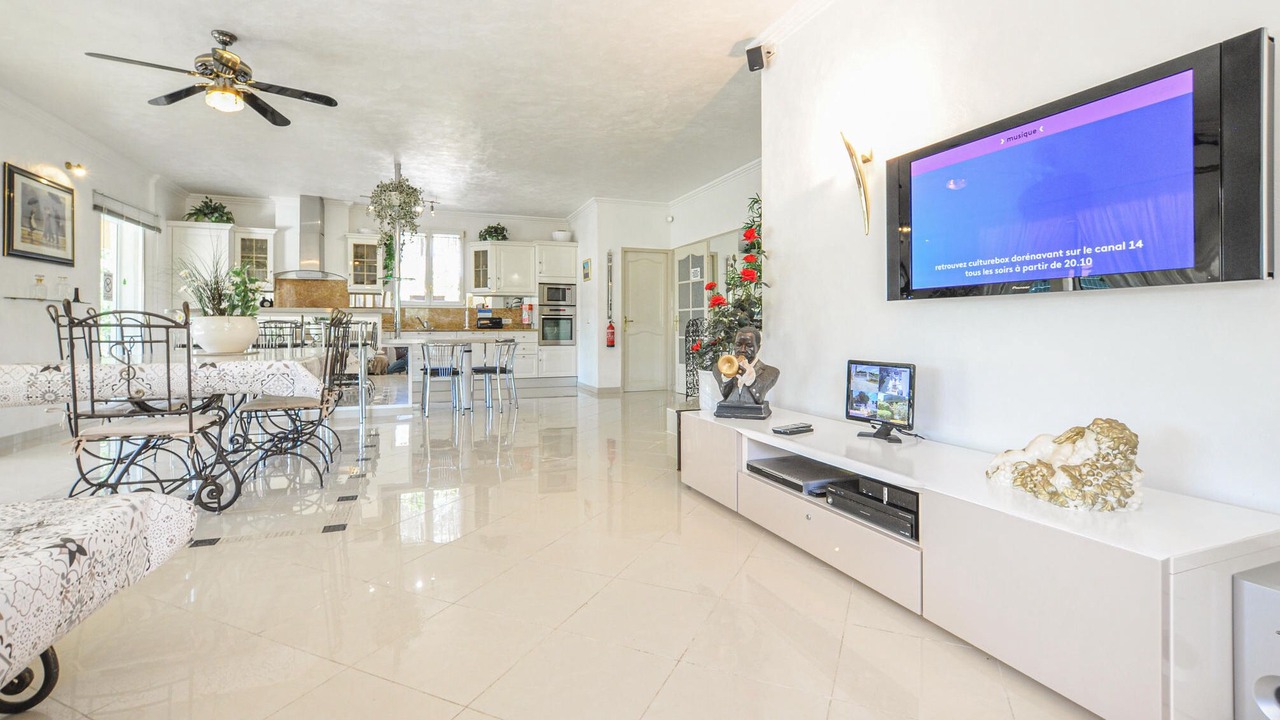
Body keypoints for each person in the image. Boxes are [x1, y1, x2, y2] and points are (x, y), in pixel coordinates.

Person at [716, 326, 779, 406]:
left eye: (749, 345)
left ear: (758, 348)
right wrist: (728, 376)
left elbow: (759, 398)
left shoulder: (772, 372)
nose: (742, 350)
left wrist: (751, 381)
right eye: (738, 344)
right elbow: (725, 394)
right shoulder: (719, 368)